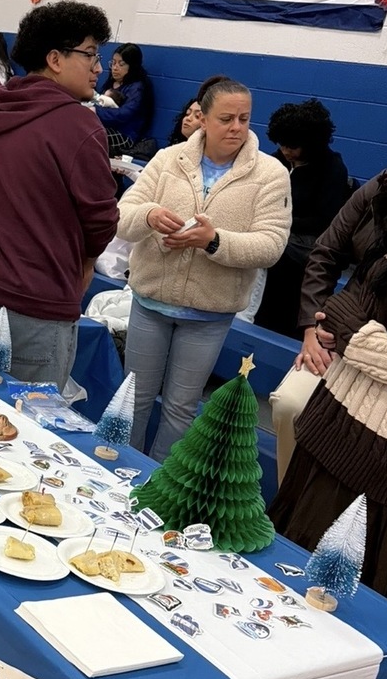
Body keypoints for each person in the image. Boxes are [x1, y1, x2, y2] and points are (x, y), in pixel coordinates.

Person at [117, 79, 292, 461]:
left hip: (209, 316)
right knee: (133, 398)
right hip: (150, 303)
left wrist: (213, 241)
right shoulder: (168, 159)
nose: (236, 127)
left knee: (181, 408)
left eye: (244, 119)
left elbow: (271, 245)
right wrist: (149, 215)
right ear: (203, 118)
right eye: (226, 118)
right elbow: (122, 217)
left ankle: (157, 488)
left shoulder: (271, 174)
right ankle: (114, 471)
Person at [269, 132, 387, 594]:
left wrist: (350, 329)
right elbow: (327, 253)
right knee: (290, 410)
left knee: (337, 566)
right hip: (340, 391)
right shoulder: (384, 191)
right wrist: (315, 325)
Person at [0, 1, 120, 385]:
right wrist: (87, 259)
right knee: (21, 434)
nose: (99, 68)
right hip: (35, 308)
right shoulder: (79, 126)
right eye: (91, 55)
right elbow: (101, 219)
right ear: (55, 59)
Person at [253, 99, 352, 336]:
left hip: (310, 241)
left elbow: (325, 219)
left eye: (293, 146)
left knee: (272, 252)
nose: (286, 151)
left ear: (311, 143)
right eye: (282, 144)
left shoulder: (332, 167)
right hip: (279, 231)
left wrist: (279, 219)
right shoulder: (276, 159)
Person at [94, 42, 155, 157]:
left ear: (132, 66)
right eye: (113, 63)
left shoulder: (137, 87)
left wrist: (95, 111)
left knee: (92, 134)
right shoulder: (111, 83)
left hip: (125, 136)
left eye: (121, 64)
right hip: (106, 128)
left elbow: (124, 114)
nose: (115, 68)